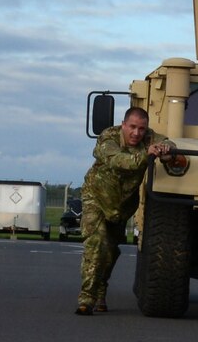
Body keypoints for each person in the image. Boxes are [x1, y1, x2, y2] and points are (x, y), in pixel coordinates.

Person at [76, 106, 178, 314]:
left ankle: (101, 288)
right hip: (95, 197)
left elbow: (168, 142)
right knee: (97, 242)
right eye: (132, 127)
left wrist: (166, 150)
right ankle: (86, 298)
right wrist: (146, 154)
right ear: (123, 125)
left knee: (111, 250)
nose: (136, 133)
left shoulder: (148, 138)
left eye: (141, 129)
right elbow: (117, 161)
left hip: (122, 205)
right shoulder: (109, 137)